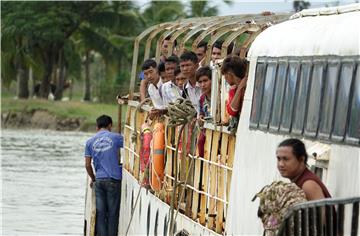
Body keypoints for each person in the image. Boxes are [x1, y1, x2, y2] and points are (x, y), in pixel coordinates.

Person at [84, 115, 123, 236]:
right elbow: (132, 143)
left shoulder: (90, 142)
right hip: (113, 180)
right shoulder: (116, 138)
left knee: (101, 213)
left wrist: (93, 178)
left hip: (99, 181)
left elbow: (87, 165)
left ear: (97, 127)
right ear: (110, 125)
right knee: (112, 213)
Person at [196, 66, 212, 158]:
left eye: (205, 81)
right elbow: (201, 112)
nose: (202, 85)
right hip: (207, 131)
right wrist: (201, 117)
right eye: (200, 82)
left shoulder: (221, 97)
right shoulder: (202, 99)